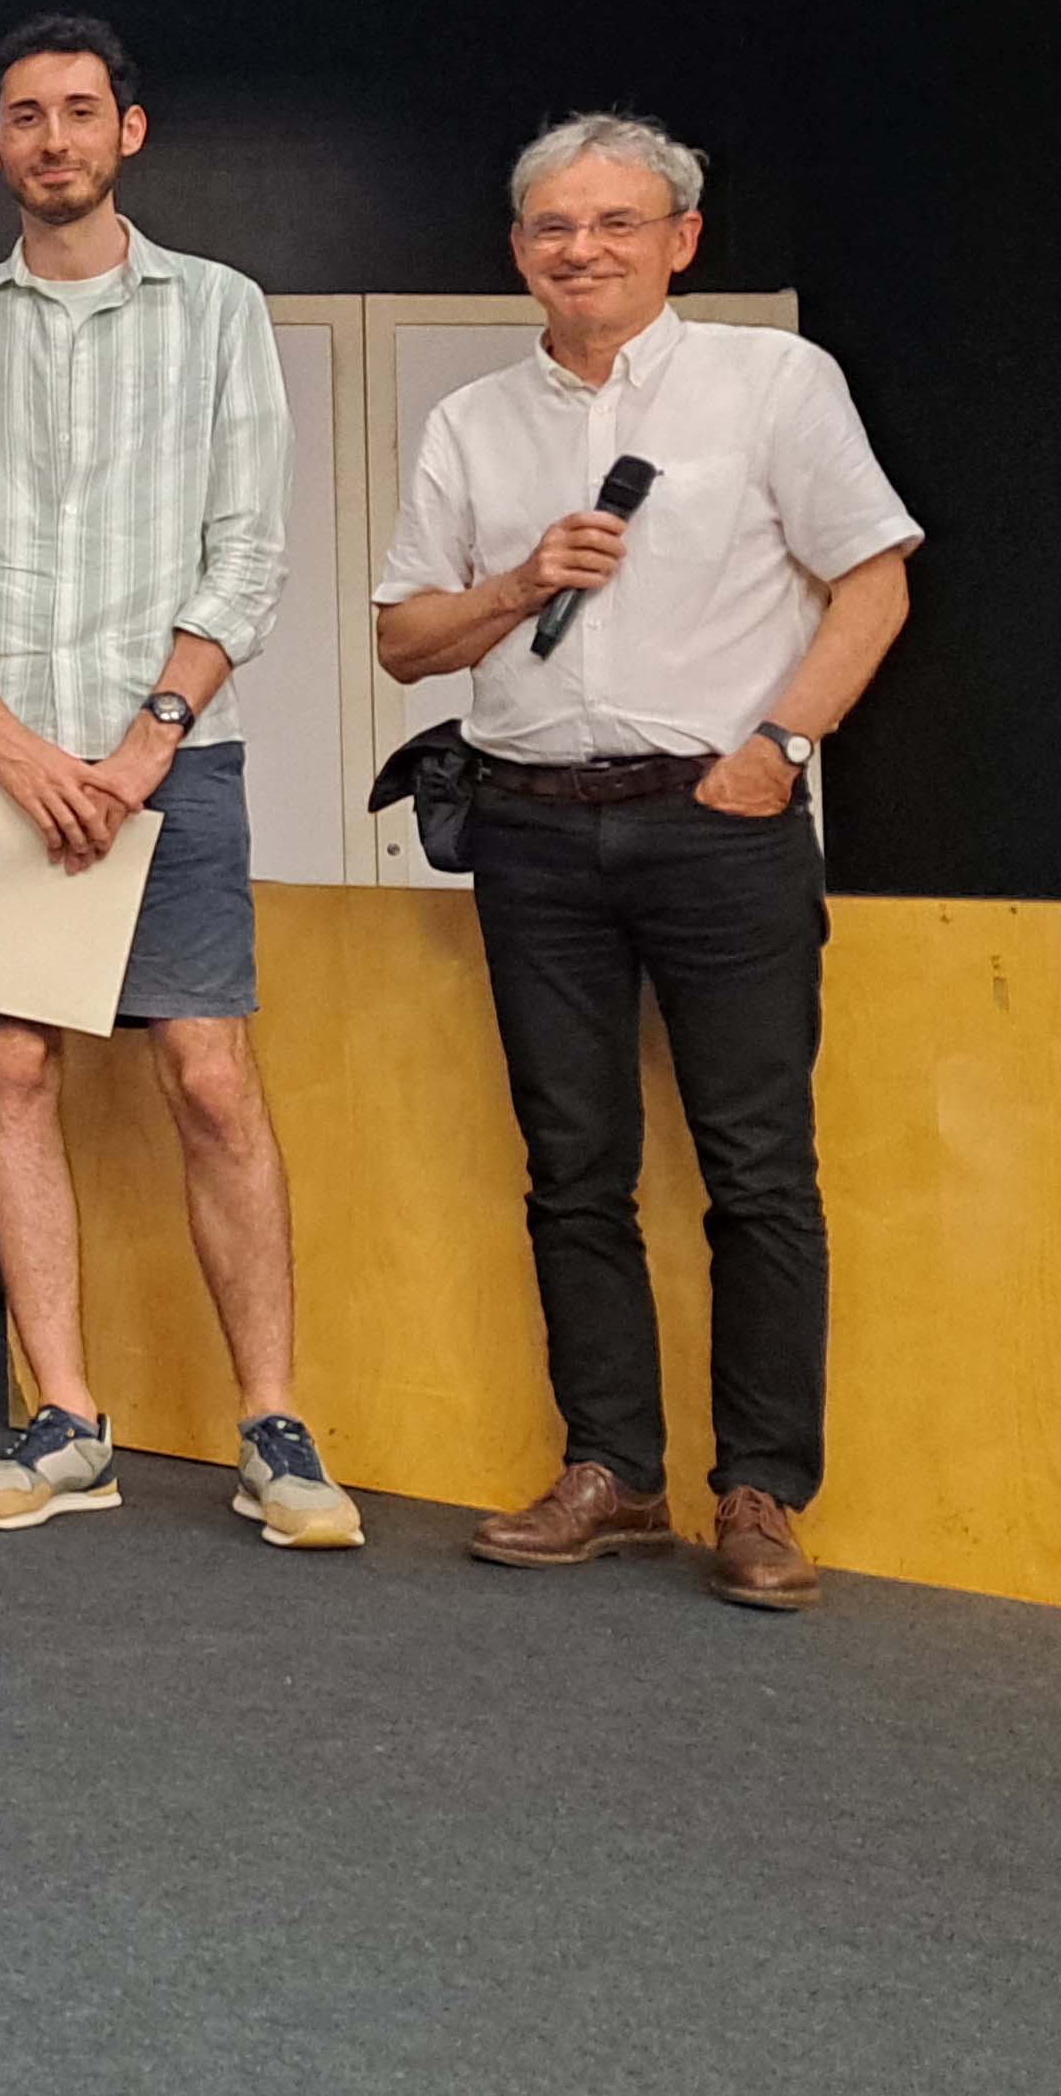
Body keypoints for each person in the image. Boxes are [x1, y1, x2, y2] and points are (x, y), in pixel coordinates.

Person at [376, 115, 917, 1612]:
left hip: (720, 819)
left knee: (758, 1169)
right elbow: (402, 636)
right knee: (573, 1167)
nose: (582, 248)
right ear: (517, 250)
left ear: (681, 238)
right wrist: (516, 581)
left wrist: (782, 749)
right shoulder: (474, 421)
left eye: (617, 221)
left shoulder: (772, 382)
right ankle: (610, 1468)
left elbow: (873, 583)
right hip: (533, 821)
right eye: (554, 224)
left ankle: (762, 1491)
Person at [0, 15, 363, 1549]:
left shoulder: (217, 311)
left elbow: (251, 552)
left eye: (81, 112)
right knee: (10, 1074)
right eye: (26, 116)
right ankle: (66, 1417)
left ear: (128, 131)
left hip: (172, 759)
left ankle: (274, 1429)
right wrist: (13, 744)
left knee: (208, 1076)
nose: (55, 138)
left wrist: (146, 738)